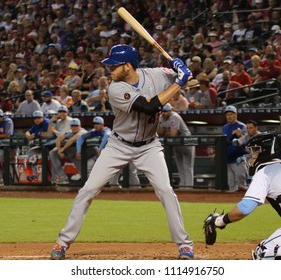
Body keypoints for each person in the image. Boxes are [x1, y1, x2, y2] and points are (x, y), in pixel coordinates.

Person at [50, 44, 194, 260]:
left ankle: (184, 245)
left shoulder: (157, 75)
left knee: (165, 190)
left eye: (114, 66)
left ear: (128, 65)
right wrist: (179, 82)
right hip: (118, 146)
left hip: (149, 146)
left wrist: (181, 69)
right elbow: (149, 107)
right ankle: (62, 242)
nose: (110, 69)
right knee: (88, 190)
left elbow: (188, 81)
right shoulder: (115, 88)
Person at [211, 133, 281, 259]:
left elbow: (244, 208)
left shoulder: (264, 172)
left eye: (255, 151)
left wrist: (220, 221)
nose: (252, 156)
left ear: (267, 151)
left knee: (264, 252)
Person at [157, 103, 195, 187]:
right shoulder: (161, 118)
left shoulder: (174, 116)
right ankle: (183, 187)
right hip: (176, 144)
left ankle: (189, 188)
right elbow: (159, 132)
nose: (164, 113)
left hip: (186, 143)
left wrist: (164, 132)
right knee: (180, 167)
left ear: (170, 110)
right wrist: (165, 131)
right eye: (163, 111)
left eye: (166, 111)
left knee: (187, 167)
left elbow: (173, 134)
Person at [49, 118, 87, 185]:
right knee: (52, 153)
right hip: (70, 152)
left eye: (76, 126)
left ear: (80, 126)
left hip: (80, 155)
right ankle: (62, 177)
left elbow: (72, 140)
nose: (74, 127)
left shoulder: (82, 132)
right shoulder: (70, 132)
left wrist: (62, 149)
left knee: (85, 175)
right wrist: (59, 150)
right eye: (72, 126)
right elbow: (58, 139)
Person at [222, 105, 248, 192]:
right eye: (227, 115)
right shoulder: (224, 128)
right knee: (231, 185)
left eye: (231, 114)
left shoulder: (242, 126)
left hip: (238, 159)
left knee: (241, 184)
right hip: (228, 159)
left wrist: (240, 135)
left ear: (236, 115)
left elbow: (247, 141)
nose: (229, 116)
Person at [25, 110, 50, 182]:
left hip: (50, 147)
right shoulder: (36, 124)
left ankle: (45, 177)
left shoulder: (46, 123)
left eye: (38, 118)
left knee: (36, 156)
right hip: (41, 147)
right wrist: (29, 136)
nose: (36, 120)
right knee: (31, 153)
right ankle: (34, 175)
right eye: (35, 118)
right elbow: (28, 132)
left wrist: (35, 135)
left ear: (42, 117)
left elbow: (45, 134)